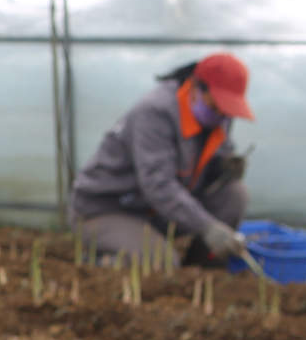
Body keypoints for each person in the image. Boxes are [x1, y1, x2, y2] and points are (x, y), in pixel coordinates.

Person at [69, 52, 253, 267]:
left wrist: (223, 166)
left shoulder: (220, 117)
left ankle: (199, 273)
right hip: (106, 210)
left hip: (157, 213)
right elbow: (159, 186)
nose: (221, 115)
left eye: (226, 110)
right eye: (215, 107)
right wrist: (208, 227)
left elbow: (214, 151)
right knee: (161, 264)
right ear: (195, 87)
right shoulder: (155, 113)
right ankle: (100, 264)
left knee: (234, 195)